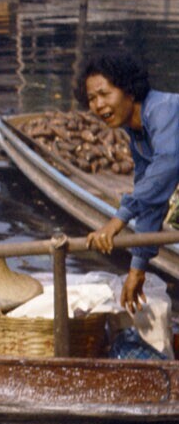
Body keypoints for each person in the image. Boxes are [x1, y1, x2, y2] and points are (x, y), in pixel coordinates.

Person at [83, 51, 179, 311]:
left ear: (129, 90)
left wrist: (118, 219)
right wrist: (137, 267)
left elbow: (168, 164)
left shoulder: (163, 109)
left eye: (104, 94)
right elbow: (152, 197)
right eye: (91, 98)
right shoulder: (137, 136)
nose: (98, 105)